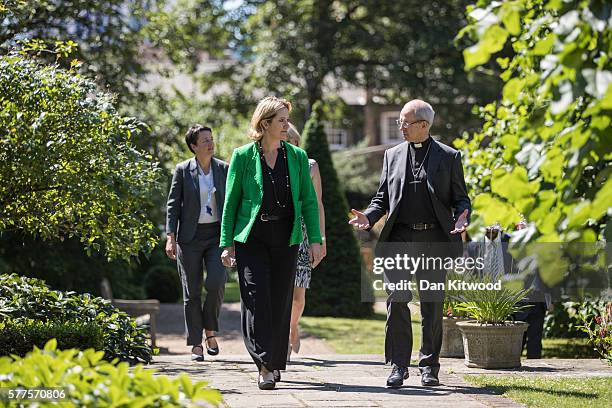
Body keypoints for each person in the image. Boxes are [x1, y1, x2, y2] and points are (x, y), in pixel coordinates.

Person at [349, 99, 471, 388]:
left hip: (433, 240)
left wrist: (462, 216)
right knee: (397, 299)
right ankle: (398, 365)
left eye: (405, 122)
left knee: (431, 305)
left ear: (424, 126)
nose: (400, 127)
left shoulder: (449, 157)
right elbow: (382, 198)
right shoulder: (391, 155)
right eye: (399, 122)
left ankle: (429, 366)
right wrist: (368, 216)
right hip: (398, 239)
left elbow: (461, 198)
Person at [220, 96, 324, 390]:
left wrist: (315, 240)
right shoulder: (242, 156)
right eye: (281, 120)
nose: (286, 126)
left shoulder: (297, 157)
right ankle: (265, 364)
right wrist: (226, 243)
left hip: (285, 238)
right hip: (251, 238)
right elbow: (231, 204)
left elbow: (308, 203)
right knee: (256, 298)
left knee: (280, 303)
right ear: (264, 124)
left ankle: (275, 362)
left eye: (286, 120)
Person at [166, 124, 229, 362]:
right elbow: (173, 205)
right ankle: (196, 343)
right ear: (194, 146)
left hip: (217, 236)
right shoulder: (182, 170)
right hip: (189, 238)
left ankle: (210, 331)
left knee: (216, 282)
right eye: (205, 141)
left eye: (211, 139)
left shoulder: (224, 168)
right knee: (191, 292)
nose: (210, 144)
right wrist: (170, 237)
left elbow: (232, 203)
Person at [285, 123, 326, 360]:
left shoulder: (310, 166)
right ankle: (283, 336)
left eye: (293, 143)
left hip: (303, 235)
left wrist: (320, 239)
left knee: (298, 298)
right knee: (281, 293)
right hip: (281, 233)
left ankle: (292, 326)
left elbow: (318, 204)